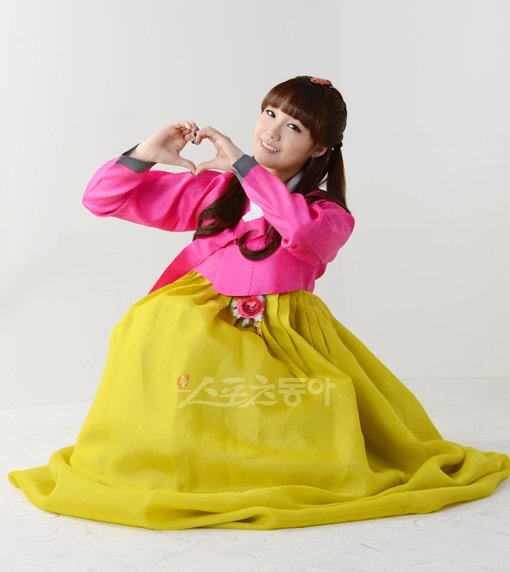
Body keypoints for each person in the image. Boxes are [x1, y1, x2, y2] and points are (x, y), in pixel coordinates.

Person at [8, 75, 510, 531]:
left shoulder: (326, 212)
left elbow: (301, 234)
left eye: (293, 127)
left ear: (319, 148)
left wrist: (243, 165)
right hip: (202, 309)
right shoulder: (216, 191)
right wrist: (146, 152)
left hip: (283, 329)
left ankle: (253, 463)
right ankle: (179, 456)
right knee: (162, 323)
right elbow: (102, 200)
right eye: (269, 114)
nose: (271, 131)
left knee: (269, 393)